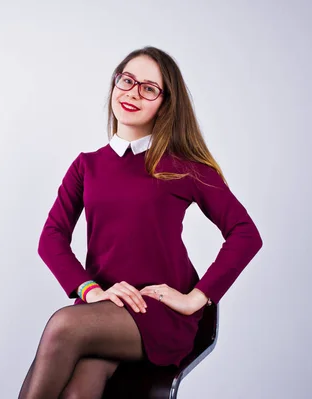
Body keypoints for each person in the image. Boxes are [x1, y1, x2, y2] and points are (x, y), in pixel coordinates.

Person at [18, 46, 263, 399]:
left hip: (159, 315)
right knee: (77, 391)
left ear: (165, 103)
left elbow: (245, 234)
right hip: (102, 311)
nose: (133, 92)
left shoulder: (184, 167)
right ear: (115, 85)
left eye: (149, 88)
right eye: (127, 80)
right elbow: (51, 238)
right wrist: (92, 291)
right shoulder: (87, 166)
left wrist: (196, 299)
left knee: (62, 327)